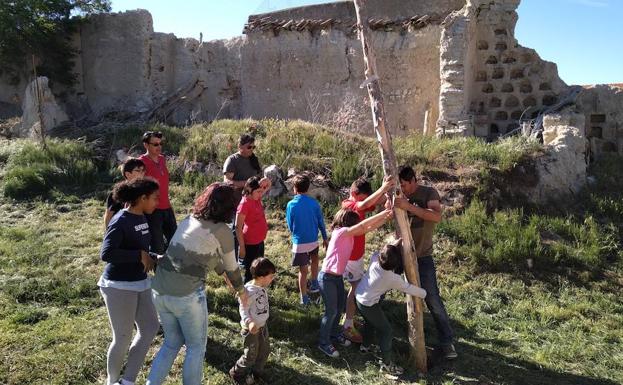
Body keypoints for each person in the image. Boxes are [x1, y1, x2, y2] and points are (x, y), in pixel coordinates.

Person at [146, 182, 248, 385]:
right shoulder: (223, 231)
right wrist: (241, 291)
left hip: (159, 291)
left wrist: (221, 272)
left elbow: (202, 254)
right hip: (186, 296)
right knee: (196, 347)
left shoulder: (190, 219)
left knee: (171, 343)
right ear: (230, 207)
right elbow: (232, 267)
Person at [99, 177, 161, 385]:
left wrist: (152, 256)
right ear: (142, 198)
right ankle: (112, 381)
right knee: (123, 337)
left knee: (150, 327)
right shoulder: (121, 220)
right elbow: (106, 253)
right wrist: (138, 255)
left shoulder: (141, 216)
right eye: (154, 198)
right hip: (118, 286)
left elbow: (140, 246)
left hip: (140, 282)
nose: (157, 202)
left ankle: (127, 381)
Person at [394, 165, 457, 360]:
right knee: (376, 290)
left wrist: (409, 207)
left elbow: (436, 216)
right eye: (401, 186)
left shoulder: (429, 192)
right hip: (399, 253)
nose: (403, 189)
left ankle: (447, 343)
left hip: (422, 256)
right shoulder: (398, 192)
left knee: (432, 299)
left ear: (413, 180)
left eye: (405, 185)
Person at [317, 208, 393, 358]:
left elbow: (368, 227)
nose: (359, 226)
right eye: (356, 223)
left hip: (337, 277)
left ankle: (333, 334)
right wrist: (383, 213)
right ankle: (323, 342)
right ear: (348, 223)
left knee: (339, 309)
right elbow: (363, 226)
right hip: (327, 278)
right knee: (331, 311)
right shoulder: (340, 232)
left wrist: (386, 217)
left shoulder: (349, 234)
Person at [356, 241, 427, 378]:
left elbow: (383, 251)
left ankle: (365, 347)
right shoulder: (392, 278)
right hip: (368, 304)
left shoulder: (374, 259)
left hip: (359, 297)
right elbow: (408, 288)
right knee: (386, 331)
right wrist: (424, 293)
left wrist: (395, 243)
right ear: (396, 265)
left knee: (370, 322)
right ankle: (387, 364)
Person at [340, 176, 395, 343]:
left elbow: (372, 202)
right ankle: (347, 325)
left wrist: (386, 198)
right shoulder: (348, 204)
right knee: (355, 288)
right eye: (363, 197)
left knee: (355, 286)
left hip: (355, 256)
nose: (365, 202)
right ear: (355, 194)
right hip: (351, 257)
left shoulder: (359, 203)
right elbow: (364, 204)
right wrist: (383, 188)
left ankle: (348, 318)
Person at [229, 257, 276, 385]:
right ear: (261, 277)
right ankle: (236, 373)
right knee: (251, 355)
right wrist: (249, 322)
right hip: (251, 331)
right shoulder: (248, 291)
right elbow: (243, 309)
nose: (273, 279)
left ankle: (257, 373)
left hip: (262, 327)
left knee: (264, 351)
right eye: (271, 276)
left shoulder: (260, 286)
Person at [286, 174, 328, 306]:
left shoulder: (291, 204)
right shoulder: (314, 203)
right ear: (308, 188)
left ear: (294, 188)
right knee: (315, 260)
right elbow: (321, 222)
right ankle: (315, 282)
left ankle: (303, 297)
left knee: (303, 271)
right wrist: (325, 238)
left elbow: (289, 224)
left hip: (299, 242)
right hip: (313, 240)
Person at [139, 131, 176, 254]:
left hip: (167, 207)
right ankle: (156, 271)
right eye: (155, 144)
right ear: (146, 145)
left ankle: (170, 269)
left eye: (160, 144)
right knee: (157, 246)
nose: (159, 147)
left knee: (175, 241)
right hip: (152, 210)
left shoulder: (162, 159)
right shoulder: (141, 162)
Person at [236, 176, 272, 283]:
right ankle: (246, 293)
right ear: (249, 190)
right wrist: (242, 247)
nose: (261, 194)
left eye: (261, 191)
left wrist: (266, 180)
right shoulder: (244, 204)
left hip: (260, 241)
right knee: (250, 271)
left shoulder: (256, 197)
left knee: (259, 267)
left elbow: (268, 185)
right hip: (250, 243)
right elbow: (238, 227)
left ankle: (257, 288)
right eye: (258, 192)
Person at [103, 158, 146, 227]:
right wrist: (108, 232)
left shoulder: (144, 190)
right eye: (138, 170)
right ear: (128, 174)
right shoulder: (119, 192)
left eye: (143, 170)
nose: (142, 173)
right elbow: (109, 215)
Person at [223, 133, 263, 207]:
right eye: (249, 147)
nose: (251, 149)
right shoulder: (232, 160)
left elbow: (259, 177)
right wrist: (247, 184)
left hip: (254, 201)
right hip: (236, 202)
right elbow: (227, 182)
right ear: (240, 146)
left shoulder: (254, 160)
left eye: (253, 147)